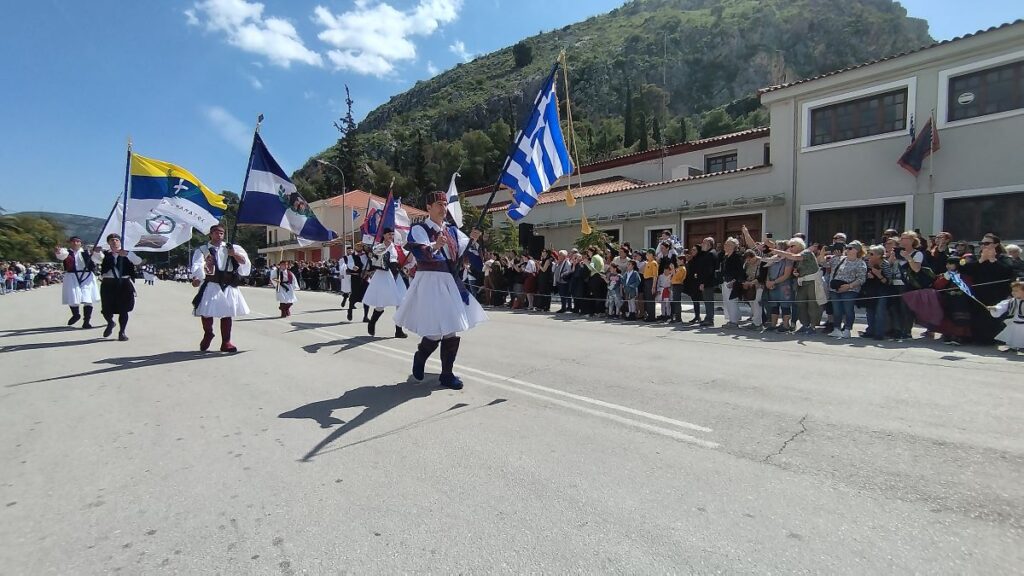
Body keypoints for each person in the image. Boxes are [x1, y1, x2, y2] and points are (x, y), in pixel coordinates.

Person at [394, 191, 487, 390]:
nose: (443, 208)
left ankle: (447, 374)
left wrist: (473, 240)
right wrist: (435, 246)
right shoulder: (420, 228)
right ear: (428, 207)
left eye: (445, 205)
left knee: (450, 329)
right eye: (438, 204)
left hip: (450, 282)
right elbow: (420, 251)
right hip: (430, 281)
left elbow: (467, 252)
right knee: (435, 332)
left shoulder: (453, 231)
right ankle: (420, 358)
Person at [191, 223, 251, 353]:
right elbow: (198, 265)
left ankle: (226, 342)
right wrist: (197, 278)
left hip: (228, 284)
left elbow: (244, 263)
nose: (219, 235)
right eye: (217, 232)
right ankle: (208, 333)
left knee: (227, 313)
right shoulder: (203, 250)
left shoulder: (232, 248)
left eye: (222, 233)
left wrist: (234, 254)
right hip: (211, 283)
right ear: (211, 234)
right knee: (206, 312)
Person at [363, 228, 408, 338]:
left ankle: (398, 330)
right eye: (388, 234)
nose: (390, 236)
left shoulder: (397, 247)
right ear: (384, 235)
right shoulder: (379, 246)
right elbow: (375, 256)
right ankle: (372, 322)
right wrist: (382, 248)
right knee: (381, 304)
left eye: (392, 234)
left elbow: (406, 258)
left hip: (396, 276)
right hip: (384, 276)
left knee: (401, 303)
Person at [96, 233, 141, 341]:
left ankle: (122, 332)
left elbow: (138, 261)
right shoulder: (105, 254)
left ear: (120, 242)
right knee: (106, 309)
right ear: (108, 243)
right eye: (112, 240)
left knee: (123, 309)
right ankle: (110, 322)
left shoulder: (127, 253)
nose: (114, 242)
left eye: (116, 240)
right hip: (108, 283)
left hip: (123, 283)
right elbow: (96, 259)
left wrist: (127, 255)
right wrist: (96, 252)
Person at [54, 236, 101, 328]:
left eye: (77, 241)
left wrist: (96, 252)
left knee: (87, 298)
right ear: (70, 243)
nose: (75, 243)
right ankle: (76, 315)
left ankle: (86, 321)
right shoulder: (67, 252)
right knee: (73, 296)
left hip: (86, 276)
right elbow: (61, 255)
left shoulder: (87, 252)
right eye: (73, 242)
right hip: (72, 275)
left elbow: (98, 259)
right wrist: (58, 252)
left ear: (80, 243)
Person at [827, 241, 867, 339]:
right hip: (835, 288)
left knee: (848, 309)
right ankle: (836, 329)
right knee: (836, 310)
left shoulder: (860, 263)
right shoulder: (839, 259)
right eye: (847, 248)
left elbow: (861, 279)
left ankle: (847, 329)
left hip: (850, 289)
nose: (847, 250)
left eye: (850, 248)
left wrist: (848, 286)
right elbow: (824, 264)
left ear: (857, 250)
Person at [989, 281, 1024, 352]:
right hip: (1014, 322)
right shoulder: (1011, 301)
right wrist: (994, 308)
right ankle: (1014, 346)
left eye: (1016, 291)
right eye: (1013, 290)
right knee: (1014, 334)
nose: (1013, 292)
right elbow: (1001, 306)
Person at [346, 244, 370, 322]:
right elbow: (349, 264)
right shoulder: (351, 256)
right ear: (355, 247)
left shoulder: (366, 255)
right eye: (358, 246)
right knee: (354, 295)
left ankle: (365, 316)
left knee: (366, 297)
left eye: (361, 246)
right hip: (356, 278)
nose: (359, 247)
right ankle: (350, 310)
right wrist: (353, 267)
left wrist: (368, 271)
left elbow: (370, 264)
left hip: (365, 278)